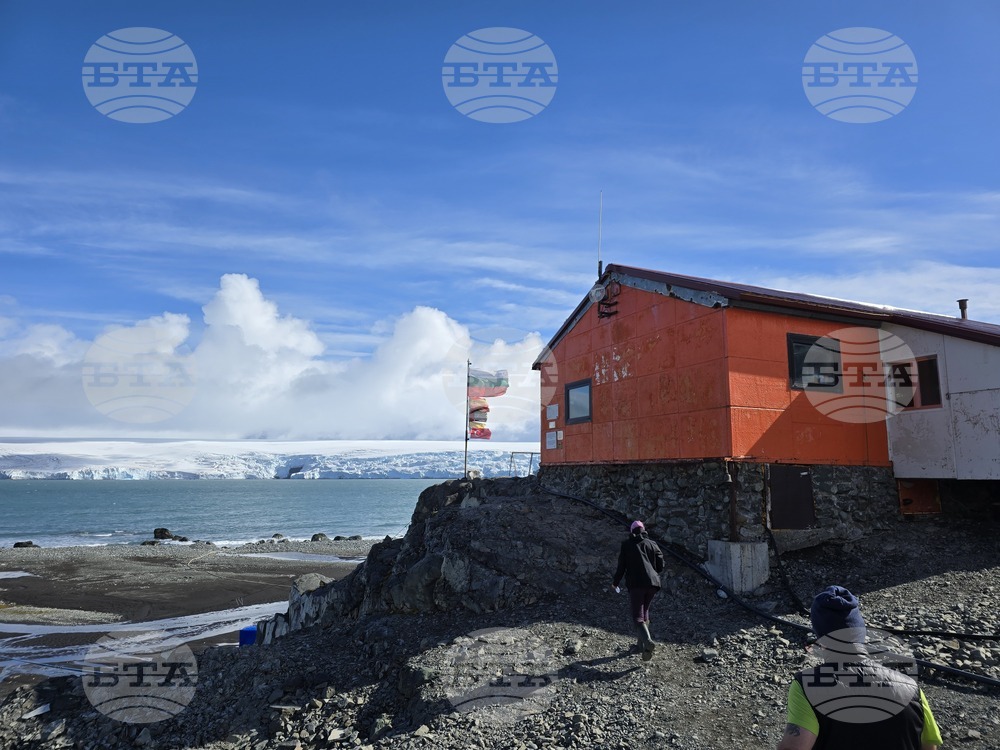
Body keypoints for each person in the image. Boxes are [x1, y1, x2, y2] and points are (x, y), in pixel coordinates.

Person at [776, 585, 943, 750]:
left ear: (821, 639)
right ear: (861, 634)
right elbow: (930, 746)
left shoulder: (806, 687)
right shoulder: (912, 689)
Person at [611, 520, 665, 661]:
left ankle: (648, 642)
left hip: (636, 584)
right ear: (644, 530)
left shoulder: (627, 545)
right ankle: (641, 646)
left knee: (638, 617)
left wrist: (615, 583)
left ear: (631, 531)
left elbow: (621, 567)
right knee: (645, 613)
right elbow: (660, 565)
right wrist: (652, 571)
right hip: (653, 584)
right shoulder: (652, 544)